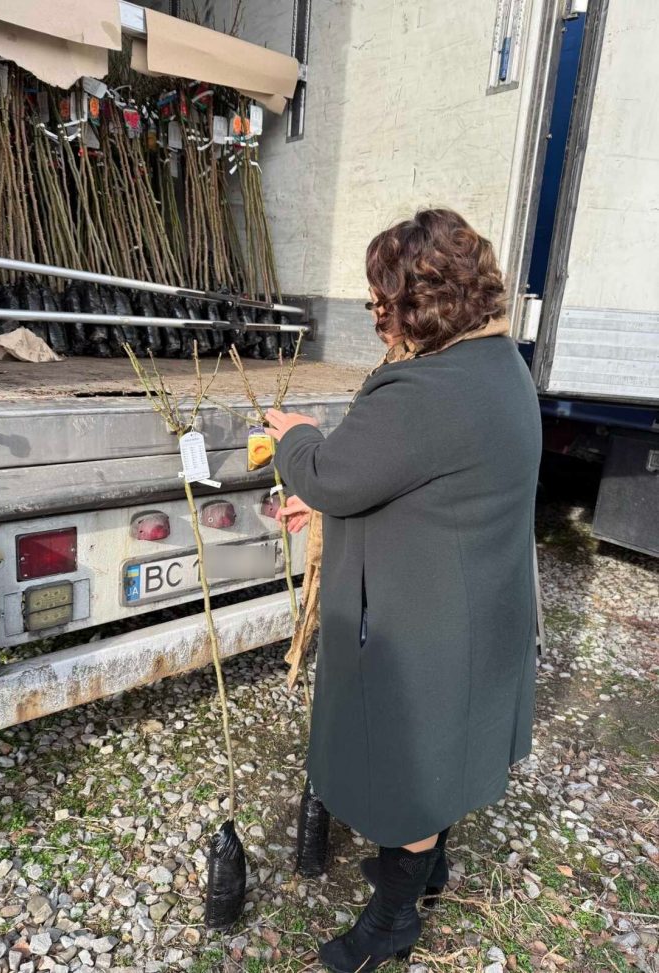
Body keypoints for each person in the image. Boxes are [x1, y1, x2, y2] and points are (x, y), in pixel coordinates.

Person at [264, 208, 542, 973]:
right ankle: (428, 870)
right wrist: (329, 503)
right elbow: (423, 481)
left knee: (411, 772)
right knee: (448, 750)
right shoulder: (498, 364)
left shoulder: (425, 389)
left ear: (420, 302)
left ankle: (392, 921)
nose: (376, 314)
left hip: (430, 624)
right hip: (477, 601)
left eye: (381, 299)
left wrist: (295, 435)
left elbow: (331, 473)